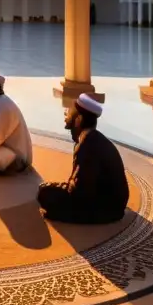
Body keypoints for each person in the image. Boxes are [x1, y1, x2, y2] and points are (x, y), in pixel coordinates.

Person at [37, 93, 129, 224]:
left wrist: (55, 187)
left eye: (69, 114)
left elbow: (79, 192)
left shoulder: (87, 144)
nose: (66, 117)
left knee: (44, 193)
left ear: (79, 119)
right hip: (115, 205)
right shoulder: (93, 137)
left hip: (108, 210)